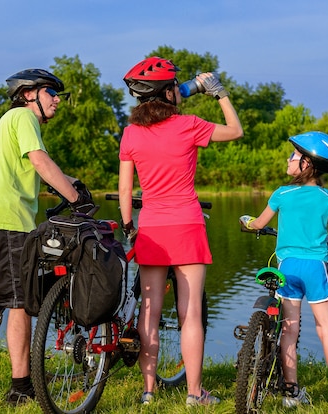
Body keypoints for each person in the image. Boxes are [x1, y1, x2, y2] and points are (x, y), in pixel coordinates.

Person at [118, 56, 243, 407]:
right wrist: (219, 93)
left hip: (152, 229)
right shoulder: (188, 125)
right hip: (187, 226)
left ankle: (148, 392)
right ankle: (193, 393)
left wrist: (129, 226)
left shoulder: (131, 133)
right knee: (189, 314)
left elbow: (126, 191)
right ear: (169, 93)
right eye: (176, 87)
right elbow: (235, 130)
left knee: (149, 312)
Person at [0, 68, 94, 405]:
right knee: (21, 303)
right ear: (29, 95)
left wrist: (71, 182)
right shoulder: (23, 117)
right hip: (6, 221)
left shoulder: (15, 121)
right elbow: (40, 162)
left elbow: (41, 165)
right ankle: (20, 386)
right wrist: (75, 198)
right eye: (51, 92)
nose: (57, 100)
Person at [240, 131, 328, 407]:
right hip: (315, 270)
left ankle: (292, 394)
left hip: (288, 269)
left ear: (306, 164)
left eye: (294, 155)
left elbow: (260, 223)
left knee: (288, 330)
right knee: (327, 331)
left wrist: (249, 223)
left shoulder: (282, 194)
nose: (289, 159)